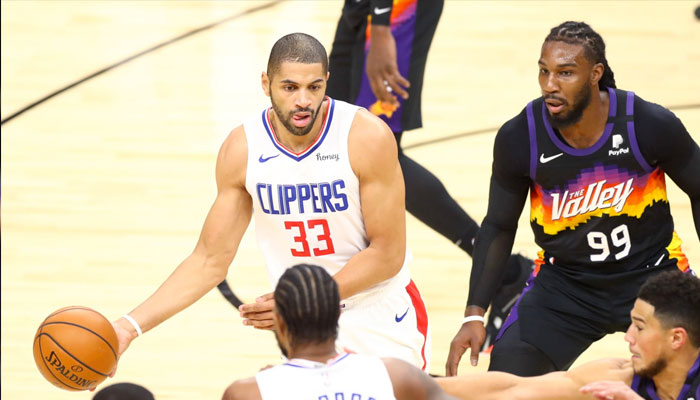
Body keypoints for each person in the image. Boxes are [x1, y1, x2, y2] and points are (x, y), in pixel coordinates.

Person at [110, 32, 431, 373]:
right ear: (266, 83)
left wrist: (304, 301)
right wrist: (127, 327)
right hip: (303, 327)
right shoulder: (243, 149)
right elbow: (208, 260)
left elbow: (388, 254)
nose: (304, 100)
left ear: (327, 83)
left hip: (377, 312)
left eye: (314, 87)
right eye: (290, 87)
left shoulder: (365, 136)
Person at [446, 20, 700, 377]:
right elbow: (499, 225)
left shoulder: (646, 124)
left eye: (566, 73)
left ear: (596, 74)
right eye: (544, 72)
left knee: (689, 375)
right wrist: (474, 313)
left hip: (652, 275)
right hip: (566, 286)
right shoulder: (521, 137)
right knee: (508, 375)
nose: (550, 85)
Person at [325, 0, 534, 350]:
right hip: (367, 8)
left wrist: (380, 27)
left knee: (376, 150)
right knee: (337, 130)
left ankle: (504, 271)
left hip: (394, 9)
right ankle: (503, 270)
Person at [437, 271, 700, 400]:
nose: (628, 337)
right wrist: (427, 387)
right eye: (630, 324)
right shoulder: (621, 377)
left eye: (640, 327)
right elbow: (517, 388)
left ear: (676, 338)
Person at [222, 264, 455, 400]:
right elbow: (491, 387)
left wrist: (275, 380)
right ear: (337, 315)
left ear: (279, 324)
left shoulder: (250, 393)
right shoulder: (395, 374)